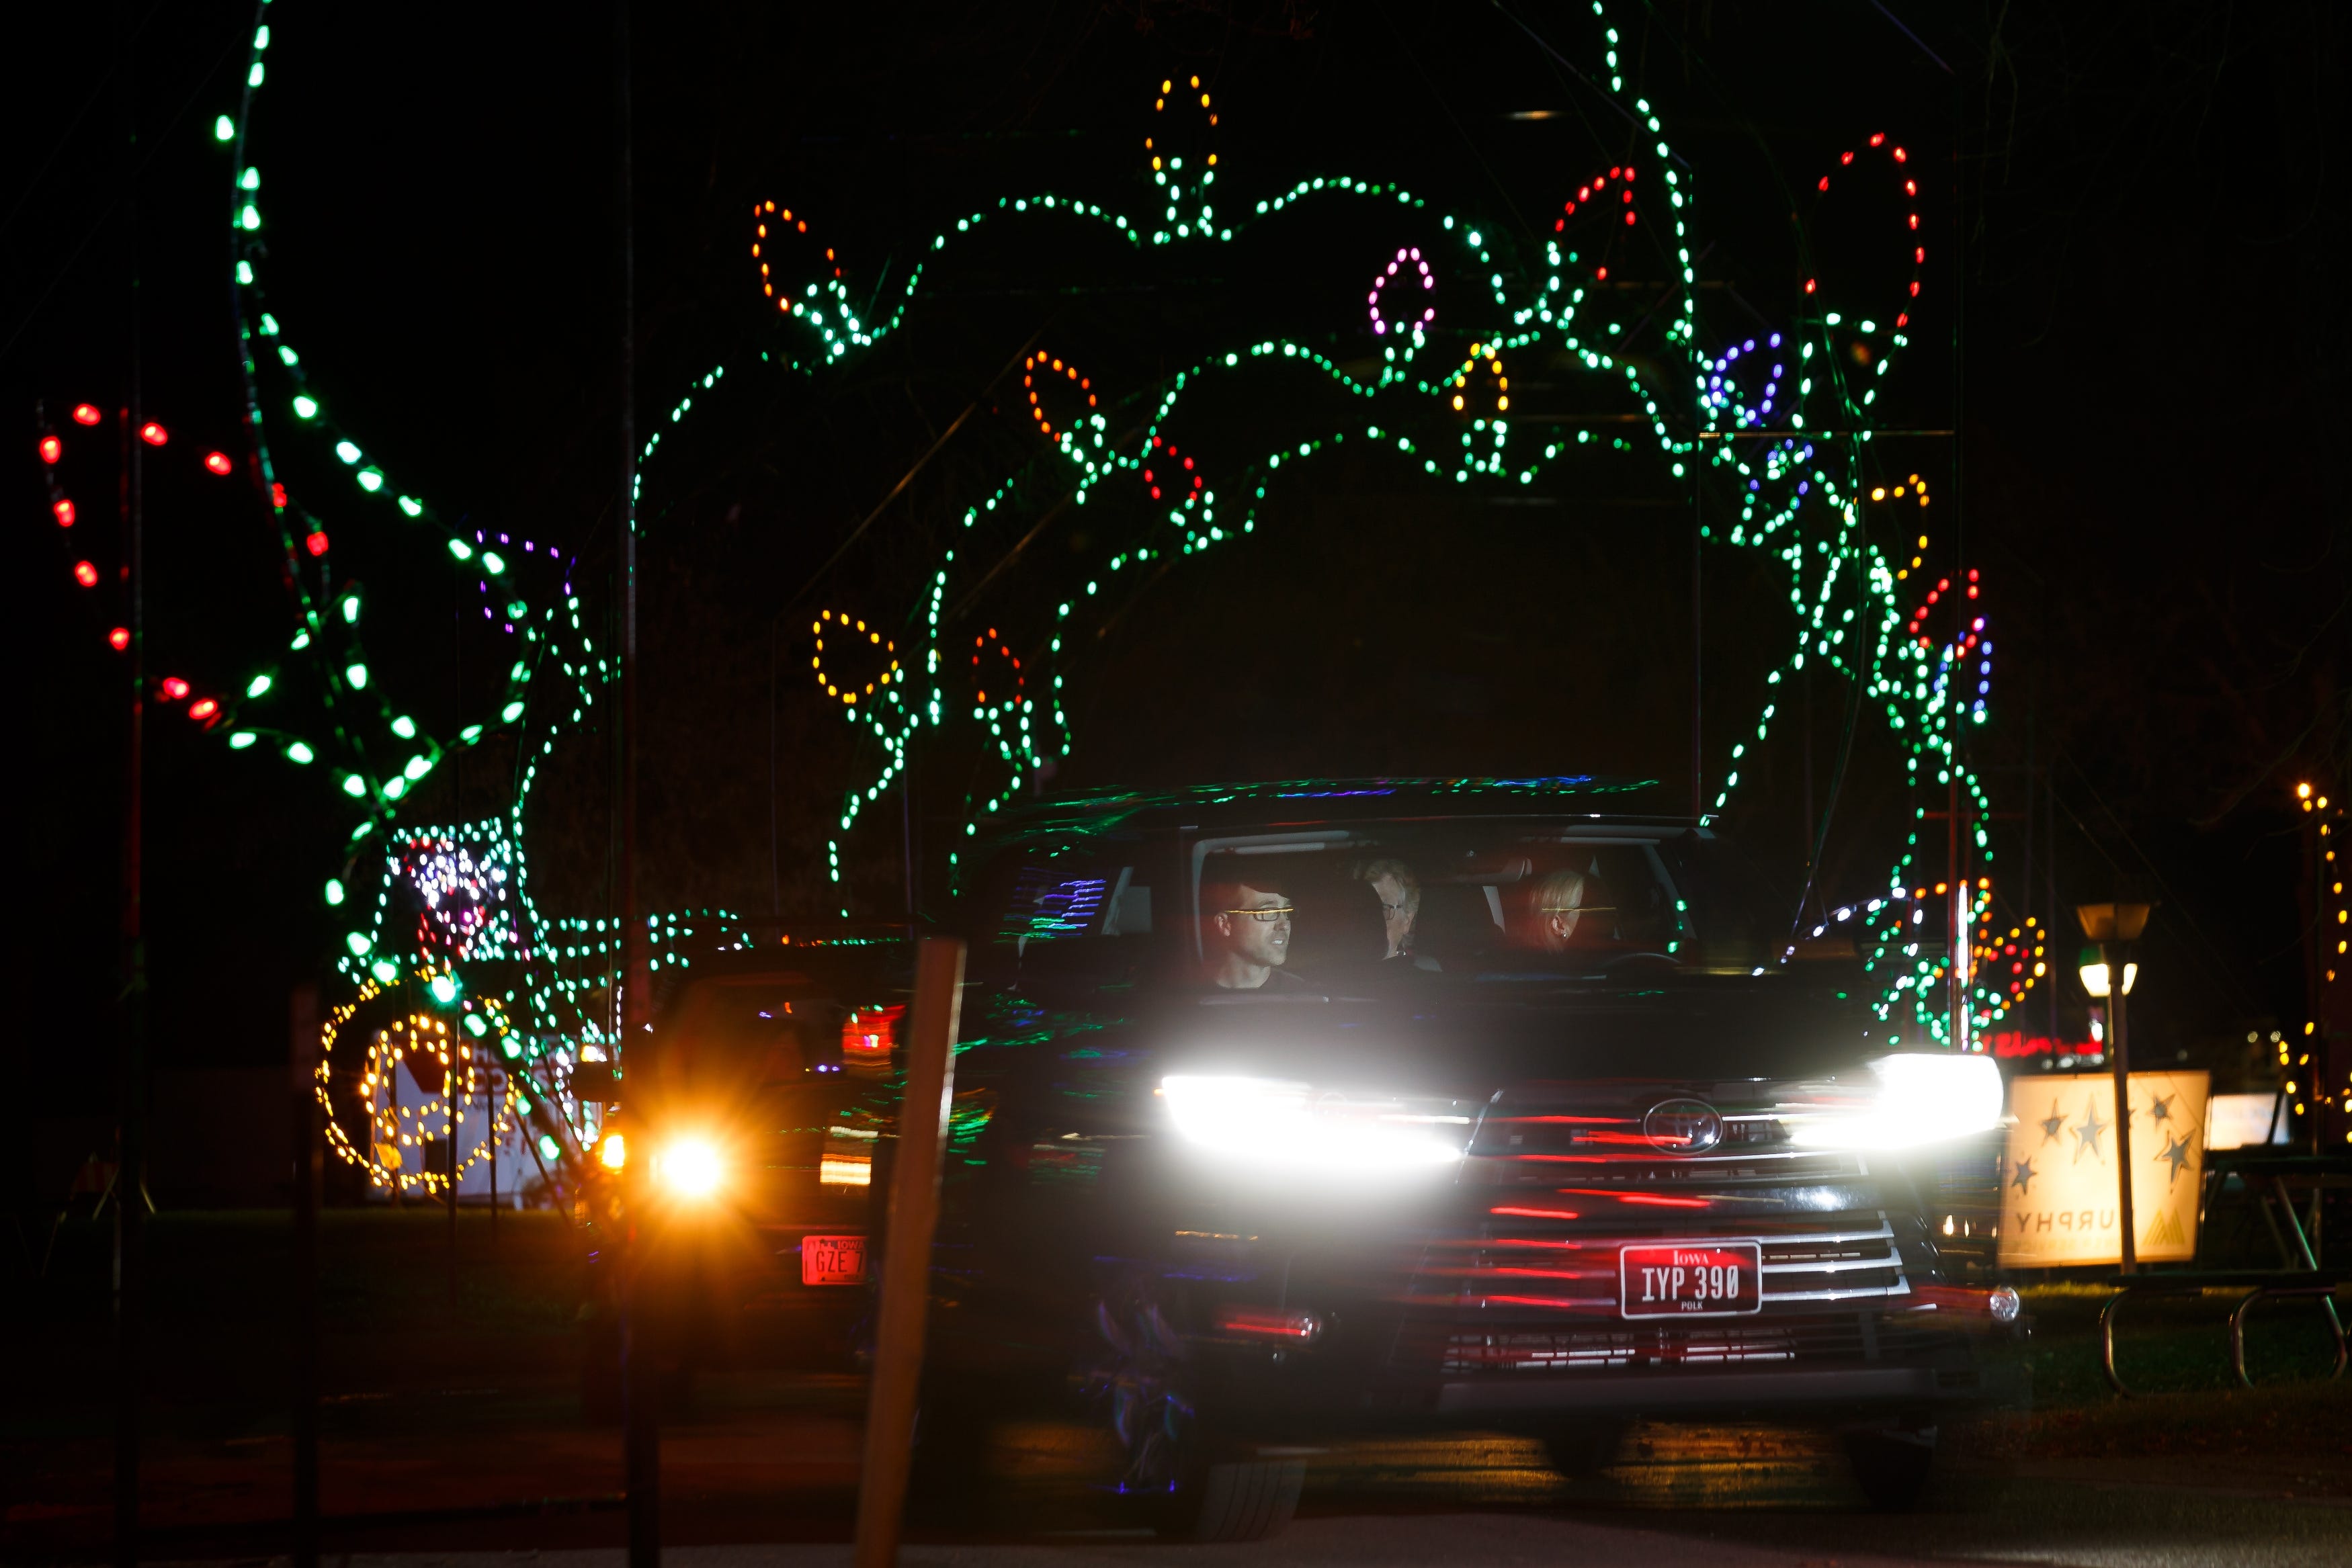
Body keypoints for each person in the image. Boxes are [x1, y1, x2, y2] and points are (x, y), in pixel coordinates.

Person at [1199, 877, 1308, 989]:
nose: (1285, 925)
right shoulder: (1194, 990)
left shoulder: (1301, 993)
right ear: (1225, 924)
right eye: (1268, 911)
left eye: (1287, 911)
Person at [1356, 858, 1421, 963]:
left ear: (1407, 921)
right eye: (1366, 909)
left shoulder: (1416, 973)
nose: (1372, 919)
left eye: (1384, 908)